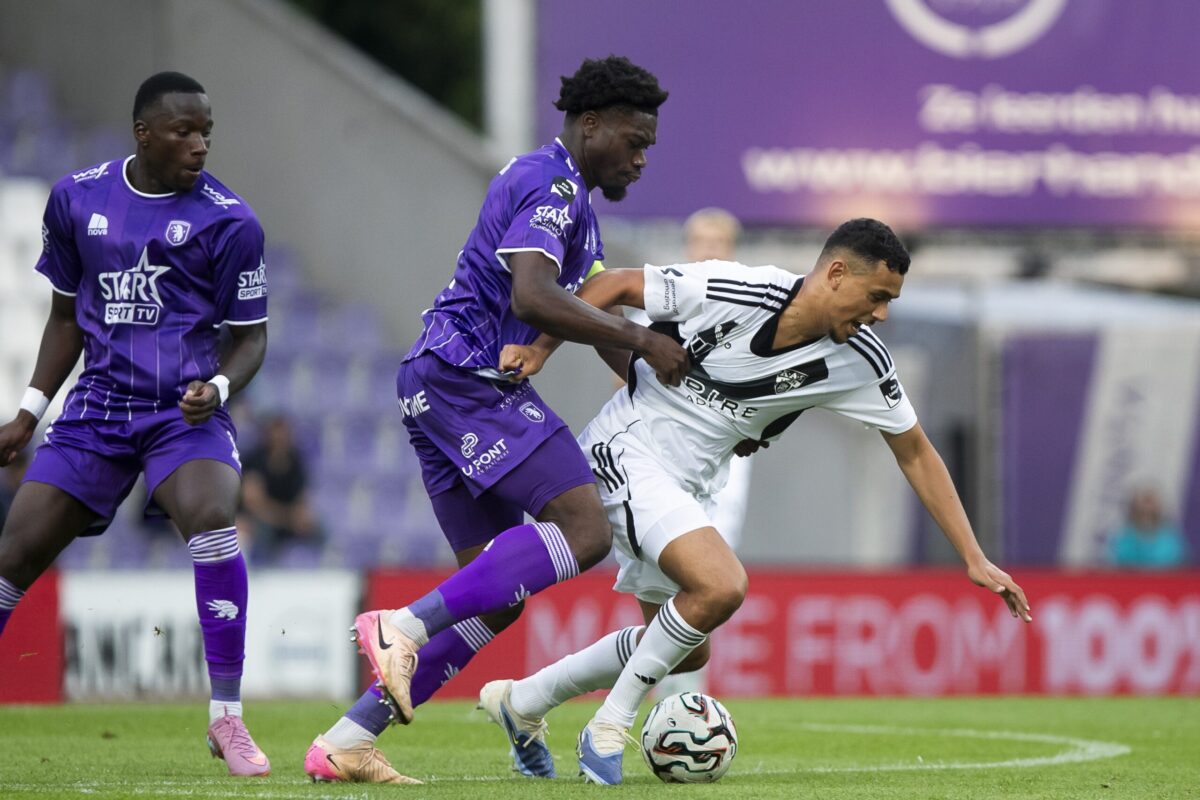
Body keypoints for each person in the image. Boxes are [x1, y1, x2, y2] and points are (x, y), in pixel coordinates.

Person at [484, 218, 1033, 784]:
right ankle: (608, 727)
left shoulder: (861, 361)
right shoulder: (737, 288)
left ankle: (523, 701)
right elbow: (617, 285)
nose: (882, 314)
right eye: (878, 297)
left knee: (686, 650)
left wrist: (972, 555)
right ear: (837, 274)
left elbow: (916, 452)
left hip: (688, 485)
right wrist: (541, 348)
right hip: (626, 448)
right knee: (722, 584)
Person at [302, 55, 687, 785]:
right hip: (465, 380)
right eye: (634, 141)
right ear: (592, 123)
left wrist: (632, 367)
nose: (641, 158)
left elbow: (573, 313)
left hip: (437, 382)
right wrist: (642, 341)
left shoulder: (571, 197)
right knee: (586, 530)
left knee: (498, 596)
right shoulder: (550, 183)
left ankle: (348, 740)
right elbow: (537, 294)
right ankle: (400, 626)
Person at [0, 72, 271, 777]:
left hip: (180, 413)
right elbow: (65, 319)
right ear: (143, 133)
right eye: (184, 131)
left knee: (213, 515)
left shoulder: (230, 221)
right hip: (97, 410)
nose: (200, 144)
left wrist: (216, 386)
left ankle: (227, 718)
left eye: (207, 131)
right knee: (14, 555)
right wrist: (29, 412)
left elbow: (251, 339)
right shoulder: (77, 198)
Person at [239, 413, 321, 562]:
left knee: (318, 529)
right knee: (260, 530)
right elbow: (253, 504)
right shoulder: (255, 460)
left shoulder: (295, 461)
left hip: (286, 519)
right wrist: (286, 517)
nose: (280, 438)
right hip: (261, 519)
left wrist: (299, 516)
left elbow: (302, 499)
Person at [1106, 486, 1188, 569]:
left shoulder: (1170, 534)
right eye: (1144, 500)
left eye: (1151, 500)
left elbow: (1179, 561)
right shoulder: (1124, 534)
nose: (1147, 507)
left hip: (1165, 579)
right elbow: (1118, 560)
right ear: (1134, 504)